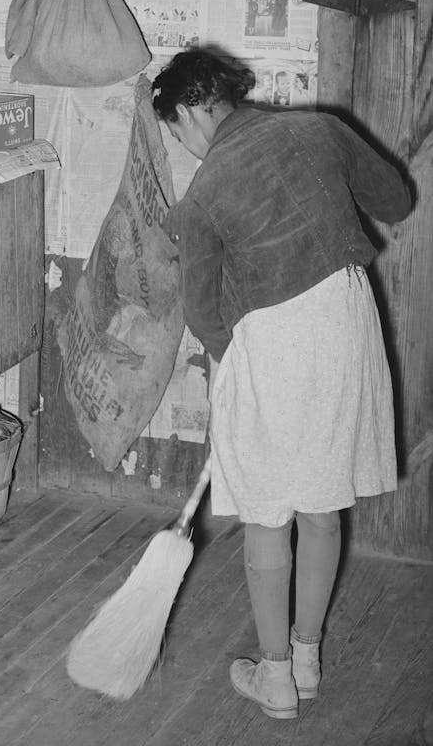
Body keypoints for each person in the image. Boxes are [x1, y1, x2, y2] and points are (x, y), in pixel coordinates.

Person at [151, 48, 411, 721]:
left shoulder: (203, 195)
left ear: (187, 112)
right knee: (322, 499)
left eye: (177, 133)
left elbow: (204, 311)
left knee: (268, 508)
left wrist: (231, 366)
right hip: (344, 320)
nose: (184, 145)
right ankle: (306, 661)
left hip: (270, 340)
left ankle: (275, 682)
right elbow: (396, 199)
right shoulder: (320, 129)